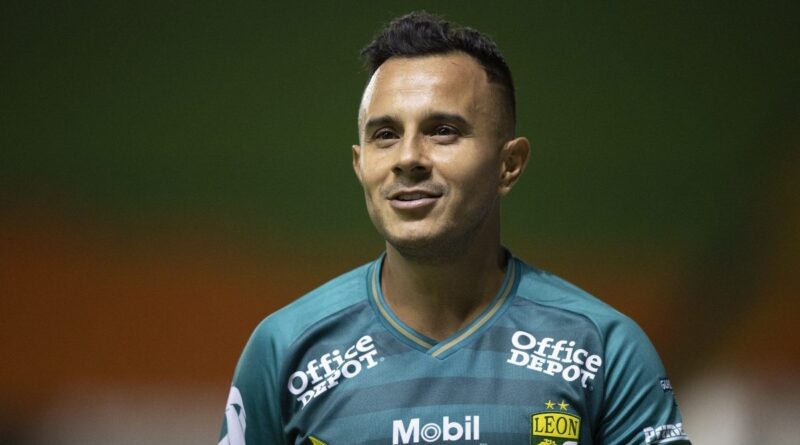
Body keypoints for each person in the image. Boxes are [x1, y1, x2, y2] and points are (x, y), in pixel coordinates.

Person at [219, 11, 691, 445]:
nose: (408, 158)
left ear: (509, 164)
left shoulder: (604, 348)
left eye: (443, 130)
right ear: (360, 165)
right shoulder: (285, 349)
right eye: (386, 135)